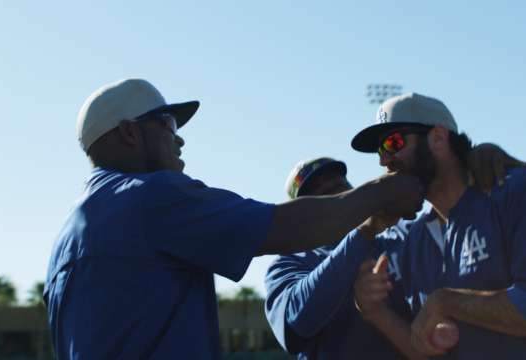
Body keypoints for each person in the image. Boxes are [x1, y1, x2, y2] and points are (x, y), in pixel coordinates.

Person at [43, 78, 425, 360]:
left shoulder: (67, 237)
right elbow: (285, 227)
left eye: (339, 185)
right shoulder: (150, 197)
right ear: (129, 132)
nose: (179, 140)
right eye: (168, 125)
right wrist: (380, 194)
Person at [351, 92, 526, 359]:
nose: (384, 160)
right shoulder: (410, 240)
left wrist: (445, 302)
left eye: (394, 142)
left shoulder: (523, 191)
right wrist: (376, 312)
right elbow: (425, 351)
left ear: (438, 138)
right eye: (381, 150)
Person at [265, 149, 526, 360]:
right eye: (320, 194)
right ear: (303, 212)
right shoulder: (289, 264)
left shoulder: (402, 236)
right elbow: (295, 326)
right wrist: (361, 234)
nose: (336, 195)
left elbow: (451, 211)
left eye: (341, 185)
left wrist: (472, 161)